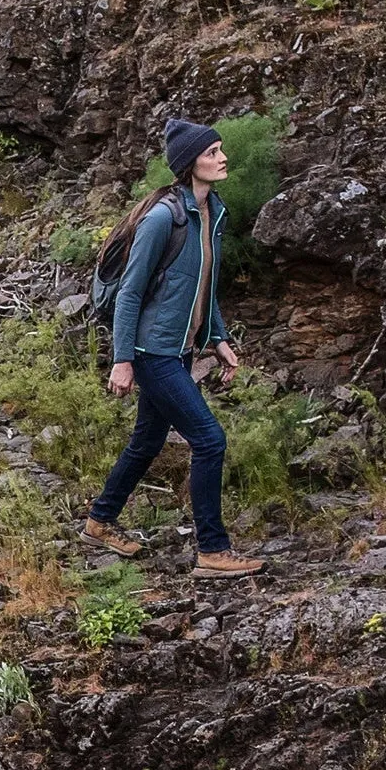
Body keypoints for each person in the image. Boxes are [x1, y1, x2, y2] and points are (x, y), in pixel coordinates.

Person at [81, 118, 263, 576]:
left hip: (178, 349)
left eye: (221, 150)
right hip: (151, 353)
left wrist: (217, 337)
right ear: (189, 165)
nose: (222, 158)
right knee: (209, 440)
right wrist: (122, 360)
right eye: (212, 152)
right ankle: (212, 551)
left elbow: (205, 285)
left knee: (147, 439)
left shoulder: (210, 212)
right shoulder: (164, 217)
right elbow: (129, 293)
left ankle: (100, 521)